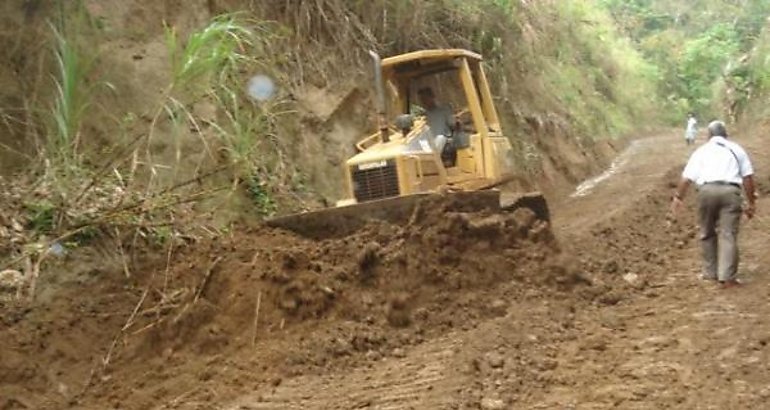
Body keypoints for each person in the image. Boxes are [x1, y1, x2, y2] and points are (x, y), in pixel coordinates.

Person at [670, 120, 756, 287]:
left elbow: (686, 178)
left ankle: (710, 273)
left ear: (709, 135)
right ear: (726, 135)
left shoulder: (701, 151)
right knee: (728, 234)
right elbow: (748, 178)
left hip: (706, 192)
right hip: (730, 193)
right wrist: (751, 202)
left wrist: (678, 197)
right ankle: (727, 276)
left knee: (707, 232)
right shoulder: (737, 150)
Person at [417, 87, 455, 152]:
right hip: (429, 144)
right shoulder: (422, 116)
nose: (424, 102)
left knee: (440, 138)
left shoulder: (444, 110)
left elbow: (453, 124)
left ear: (432, 97)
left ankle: (433, 159)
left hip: (445, 142)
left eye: (425, 99)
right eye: (422, 99)